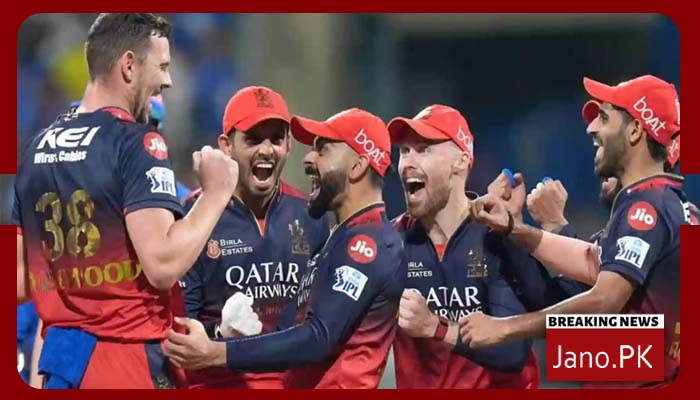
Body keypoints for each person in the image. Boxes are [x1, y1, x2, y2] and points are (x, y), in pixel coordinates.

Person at [14, 13, 238, 388]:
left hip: (61, 365)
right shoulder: (137, 142)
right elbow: (162, 265)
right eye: (162, 66)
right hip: (124, 362)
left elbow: (20, 280)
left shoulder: (37, 148)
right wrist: (216, 194)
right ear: (129, 66)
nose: (168, 80)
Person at [460, 75, 687, 388]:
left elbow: (605, 298)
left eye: (604, 118)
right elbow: (590, 262)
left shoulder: (647, 206)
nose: (591, 128)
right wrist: (513, 226)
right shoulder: (669, 205)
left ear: (635, 130)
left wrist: (505, 327)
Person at [163, 108, 406, 389]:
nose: (308, 158)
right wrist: (220, 334)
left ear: (357, 166)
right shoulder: (340, 238)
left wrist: (218, 352)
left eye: (322, 150)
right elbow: (289, 331)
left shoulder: (367, 244)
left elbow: (317, 338)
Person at [180, 86, 330, 388]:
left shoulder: (311, 216)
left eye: (276, 138)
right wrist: (221, 333)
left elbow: (319, 324)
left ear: (289, 144)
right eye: (253, 139)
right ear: (226, 146)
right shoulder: (194, 214)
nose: (266, 150)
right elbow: (179, 332)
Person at [387, 105, 539, 388]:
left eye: (423, 149)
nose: (408, 162)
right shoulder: (389, 243)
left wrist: (436, 327)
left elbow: (513, 351)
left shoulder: (496, 234)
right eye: (404, 151)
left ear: (461, 160)